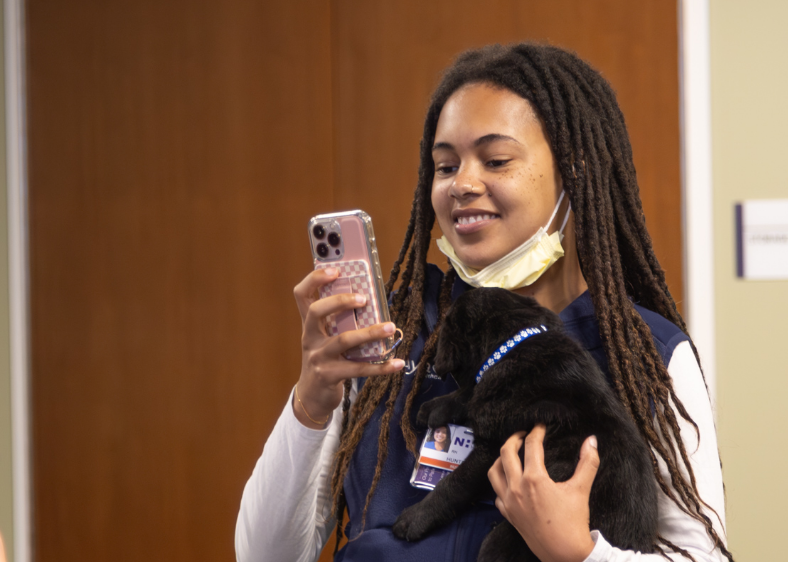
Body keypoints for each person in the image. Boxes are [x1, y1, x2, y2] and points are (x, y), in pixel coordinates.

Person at [236, 44, 732, 562]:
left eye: (496, 160)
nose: (462, 185)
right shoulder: (387, 333)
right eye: (445, 166)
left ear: (575, 171)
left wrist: (578, 553)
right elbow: (263, 556)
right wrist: (312, 401)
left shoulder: (644, 352)